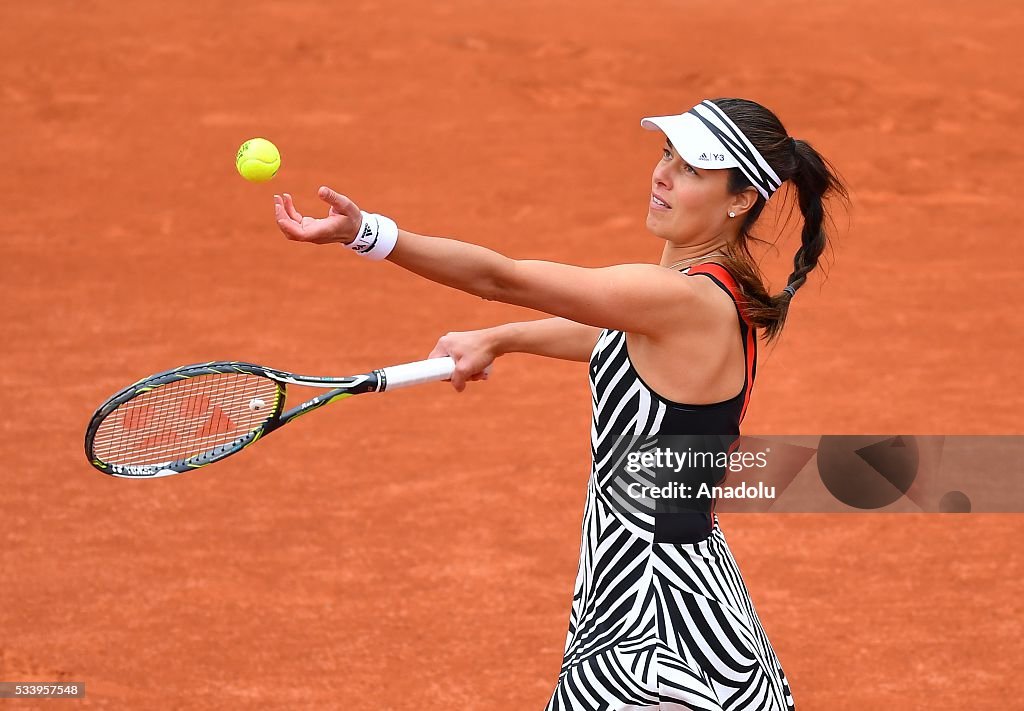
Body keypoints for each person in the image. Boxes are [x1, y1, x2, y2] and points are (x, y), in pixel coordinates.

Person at [272, 97, 848, 710]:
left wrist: (369, 235)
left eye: (692, 170)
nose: (661, 175)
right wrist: (504, 338)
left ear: (739, 200)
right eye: (665, 155)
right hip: (680, 595)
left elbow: (505, 279)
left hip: (652, 634)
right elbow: (620, 338)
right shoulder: (711, 293)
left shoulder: (675, 299)